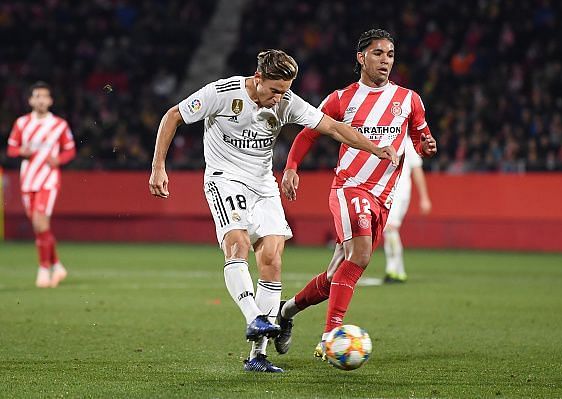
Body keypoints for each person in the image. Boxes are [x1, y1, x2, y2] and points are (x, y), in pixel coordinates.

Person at [148, 49, 397, 373]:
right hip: (225, 179)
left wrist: (375, 148)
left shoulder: (287, 101)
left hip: (263, 184)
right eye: (274, 91)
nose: (279, 98)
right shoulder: (223, 93)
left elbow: (333, 128)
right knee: (237, 244)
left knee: (272, 257)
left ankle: (258, 356)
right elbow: (173, 115)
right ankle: (254, 317)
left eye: (285, 91)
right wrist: (158, 167)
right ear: (257, 79)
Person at [276, 29, 437, 358]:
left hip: (383, 197)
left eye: (390, 54)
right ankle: (330, 337)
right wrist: (291, 167)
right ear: (361, 58)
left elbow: (421, 139)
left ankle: (285, 312)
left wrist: (427, 146)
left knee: (337, 272)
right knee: (361, 255)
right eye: (378, 53)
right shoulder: (340, 99)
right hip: (350, 187)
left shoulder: (409, 100)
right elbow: (308, 134)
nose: (386, 60)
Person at [6, 81, 76, 288]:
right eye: (37, 96)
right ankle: (57, 266)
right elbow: (11, 149)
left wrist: (59, 160)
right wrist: (21, 152)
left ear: (51, 100)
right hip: (27, 180)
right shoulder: (21, 123)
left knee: (39, 222)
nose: (41, 100)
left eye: (44, 96)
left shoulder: (59, 125)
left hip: (48, 179)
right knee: (40, 227)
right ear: (30, 100)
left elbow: (70, 150)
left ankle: (44, 269)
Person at [383, 135, 432, 283]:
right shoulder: (385, 137)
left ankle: (391, 270)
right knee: (388, 229)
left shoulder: (407, 142)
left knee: (390, 228)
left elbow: (417, 170)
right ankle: (399, 271)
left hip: (399, 192)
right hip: (386, 191)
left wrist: (424, 197)